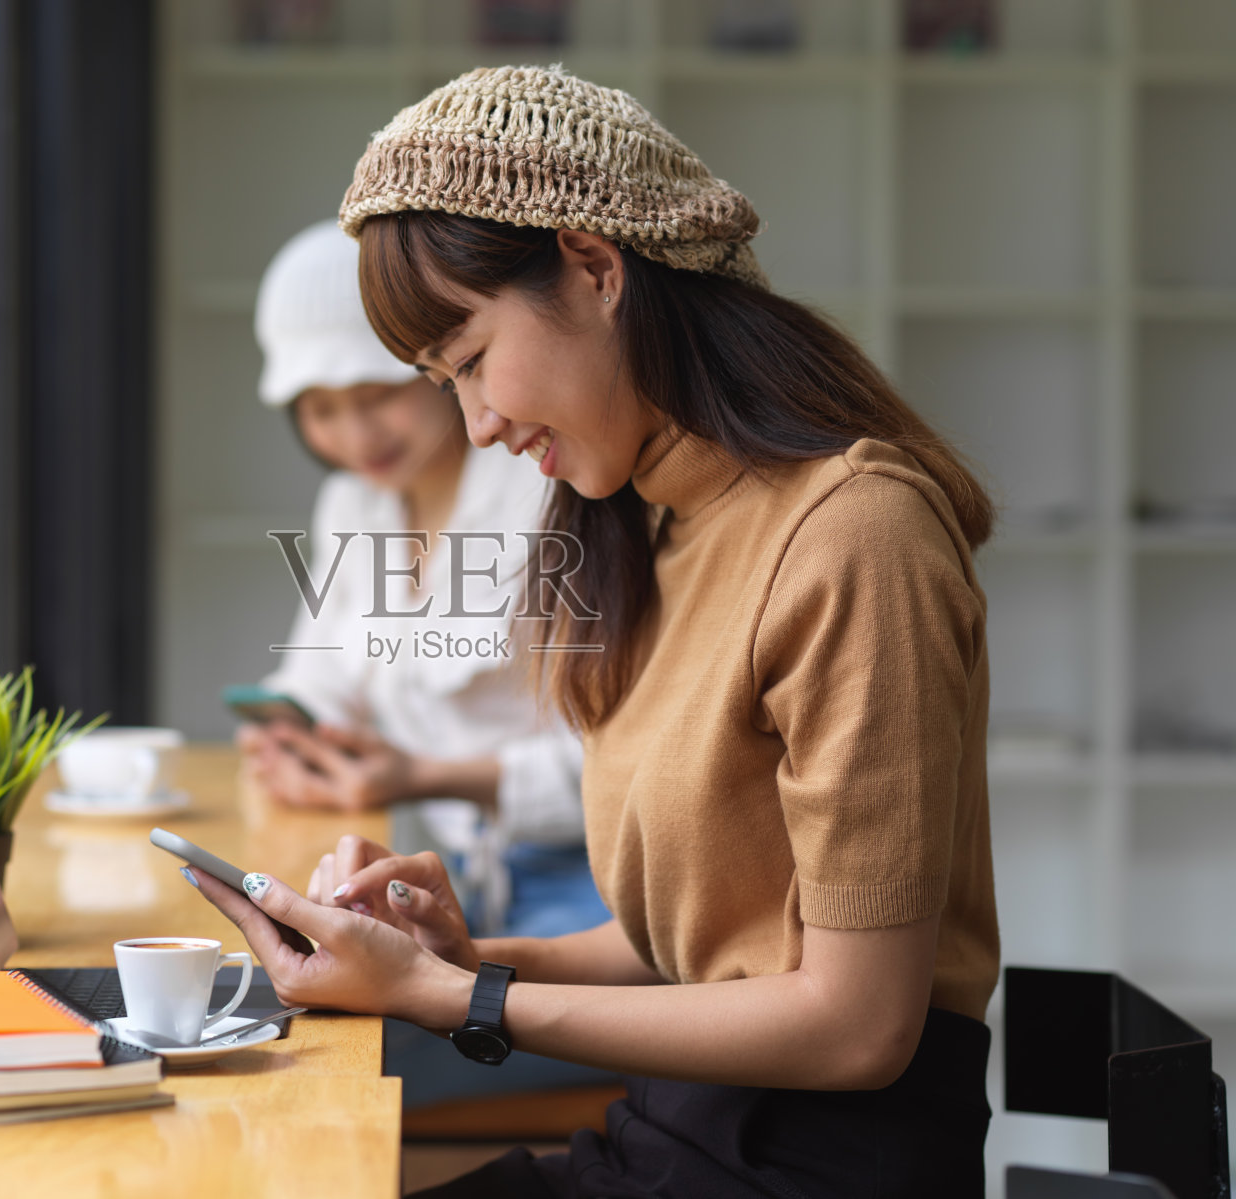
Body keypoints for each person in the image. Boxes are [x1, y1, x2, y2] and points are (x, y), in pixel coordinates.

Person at [190, 65, 999, 1197]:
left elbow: (859, 1025)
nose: (474, 424)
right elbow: (692, 939)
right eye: (441, 381)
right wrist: (461, 958)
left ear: (593, 265)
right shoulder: (653, 526)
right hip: (670, 1141)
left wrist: (458, 1001)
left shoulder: (853, 533)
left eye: (470, 360)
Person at [242, 220, 613, 1103]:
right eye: (320, 408)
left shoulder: (557, 487)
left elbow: (626, 770)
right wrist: (293, 736)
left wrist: (427, 774)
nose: (355, 432)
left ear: (436, 364)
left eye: (376, 391)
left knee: (318, 1063)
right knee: (292, 1024)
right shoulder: (355, 505)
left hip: (596, 901)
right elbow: (316, 678)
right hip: (466, 896)